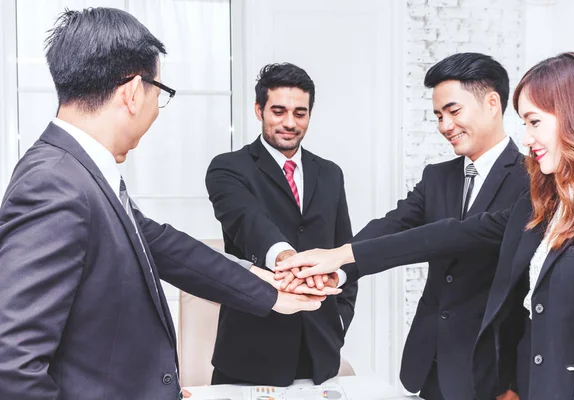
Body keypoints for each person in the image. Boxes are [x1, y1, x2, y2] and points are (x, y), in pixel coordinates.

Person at [0, 8, 336, 400]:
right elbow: (12, 365)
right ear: (131, 92)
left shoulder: (79, 171)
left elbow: (162, 246)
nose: (156, 109)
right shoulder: (54, 182)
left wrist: (272, 288)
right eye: (159, 94)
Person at [277, 52, 574, 400]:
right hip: (439, 363)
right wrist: (338, 261)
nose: (445, 125)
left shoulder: (533, 181)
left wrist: (510, 383)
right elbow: (425, 233)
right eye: (437, 115)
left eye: (454, 111)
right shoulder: (533, 198)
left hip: (499, 373)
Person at [205, 63, 358, 386]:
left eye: (300, 113)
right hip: (250, 353)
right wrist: (289, 260)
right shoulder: (228, 169)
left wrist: (339, 319)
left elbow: (344, 251)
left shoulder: (331, 174)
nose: (289, 122)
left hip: (320, 353)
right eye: (279, 111)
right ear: (259, 110)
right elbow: (249, 223)